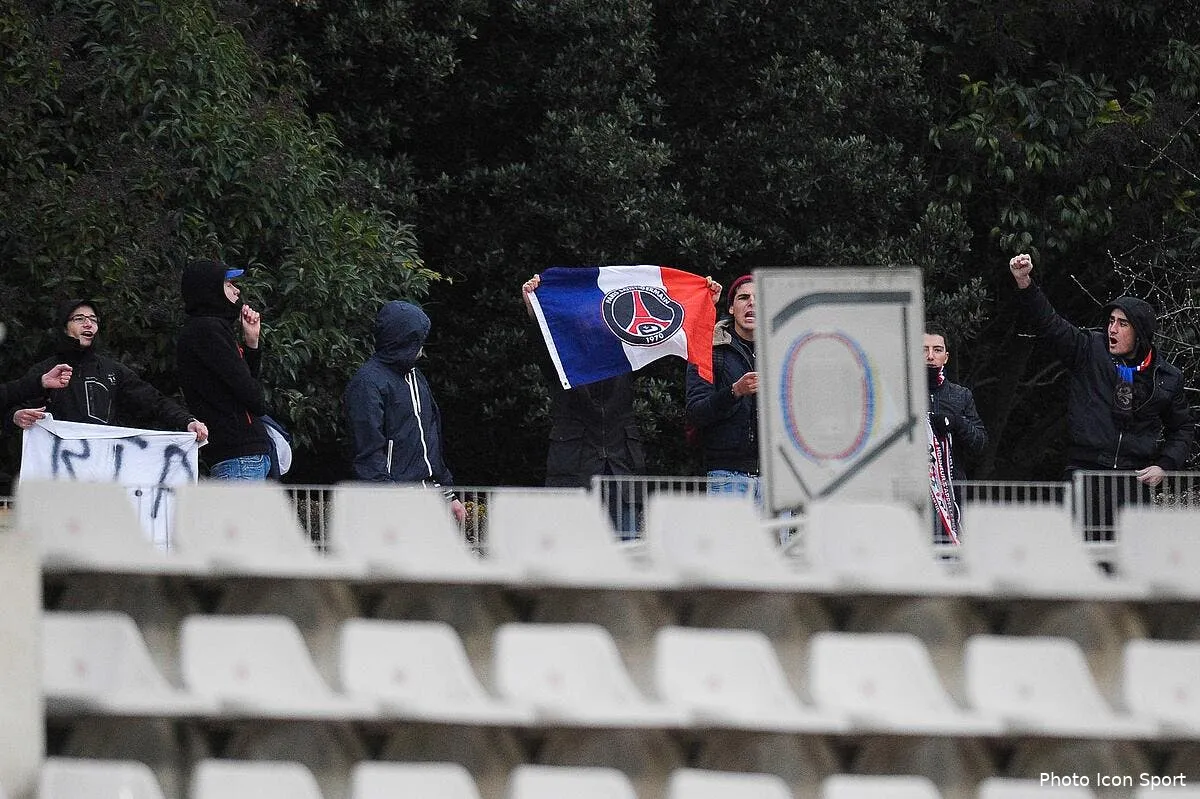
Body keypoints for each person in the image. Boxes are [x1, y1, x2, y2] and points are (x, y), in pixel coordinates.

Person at [1008, 253, 1195, 537]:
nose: (1112, 329)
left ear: (1140, 332)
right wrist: (1025, 283)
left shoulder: (1167, 376)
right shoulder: (1089, 350)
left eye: (1122, 324)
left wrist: (1165, 465)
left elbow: (1182, 428)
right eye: (1110, 321)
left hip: (1134, 482)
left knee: (1127, 565)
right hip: (1084, 473)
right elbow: (1051, 325)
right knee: (1076, 561)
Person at [10, 299, 208, 443]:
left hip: (102, 467)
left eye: (93, 319)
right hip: (59, 472)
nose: (88, 323)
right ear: (64, 327)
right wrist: (16, 415)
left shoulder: (113, 371)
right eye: (79, 318)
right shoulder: (46, 370)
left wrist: (187, 421)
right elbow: (14, 403)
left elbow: (153, 401)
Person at [344, 300, 466, 524]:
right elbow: (368, 452)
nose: (422, 347)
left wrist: (448, 494)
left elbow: (430, 440)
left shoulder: (415, 377)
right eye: (417, 339)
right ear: (404, 339)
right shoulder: (368, 383)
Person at [177, 260, 270, 480]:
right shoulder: (207, 330)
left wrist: (251, 343)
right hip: (238, 455)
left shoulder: (211, 329)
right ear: (211, 289)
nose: (237, 290)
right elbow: (253, 397)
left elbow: (245, 385)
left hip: (240, 455)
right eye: (228, 284)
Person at [685, 274, 759, 498]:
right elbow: (695, 412)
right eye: (743, 297)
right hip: (727, 475)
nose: (752, 303)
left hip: (775, 480)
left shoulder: (783, 350)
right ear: (731, 308)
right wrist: (734, 392)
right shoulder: (709, 350)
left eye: (758, 298)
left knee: (774, 536)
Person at [924, 327, 988, 543]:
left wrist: (957, 423)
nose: (930, 356)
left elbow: (980, 443)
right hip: (915, 491)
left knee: (949, 558)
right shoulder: (901, 394)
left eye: (937, 350)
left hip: (952, 491)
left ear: (946, 357)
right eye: (924, 350)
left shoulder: (961, 395)